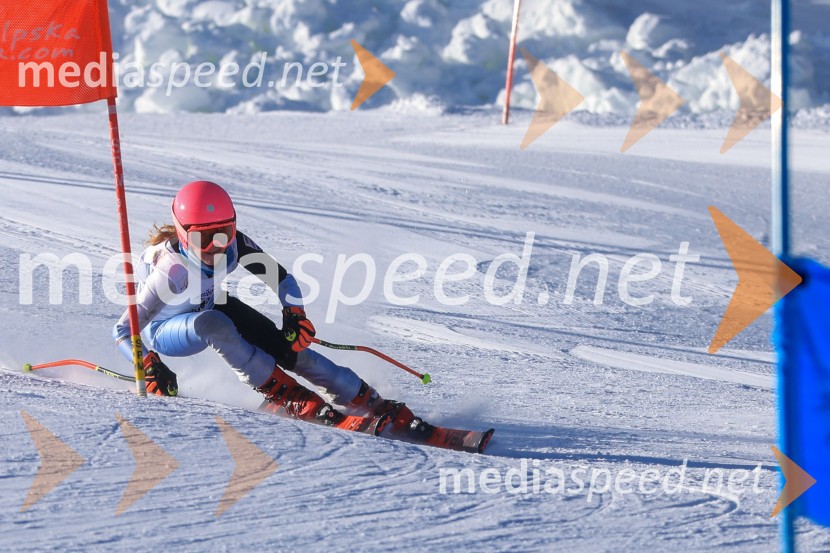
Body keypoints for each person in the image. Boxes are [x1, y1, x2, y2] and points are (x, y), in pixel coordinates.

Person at [113, 180, 421, 433]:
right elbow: (123, 330)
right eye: (202, 238)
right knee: (212, 323)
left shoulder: (234, 246)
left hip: (208, 304)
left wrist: (294, 314)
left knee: (287, 348)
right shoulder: (171, 271)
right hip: (166, 330)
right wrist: (148, 363)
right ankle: (285, 395)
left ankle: (364, 398)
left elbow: (282, 279)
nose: (216, 247)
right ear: (183, 235)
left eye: (223, 233)